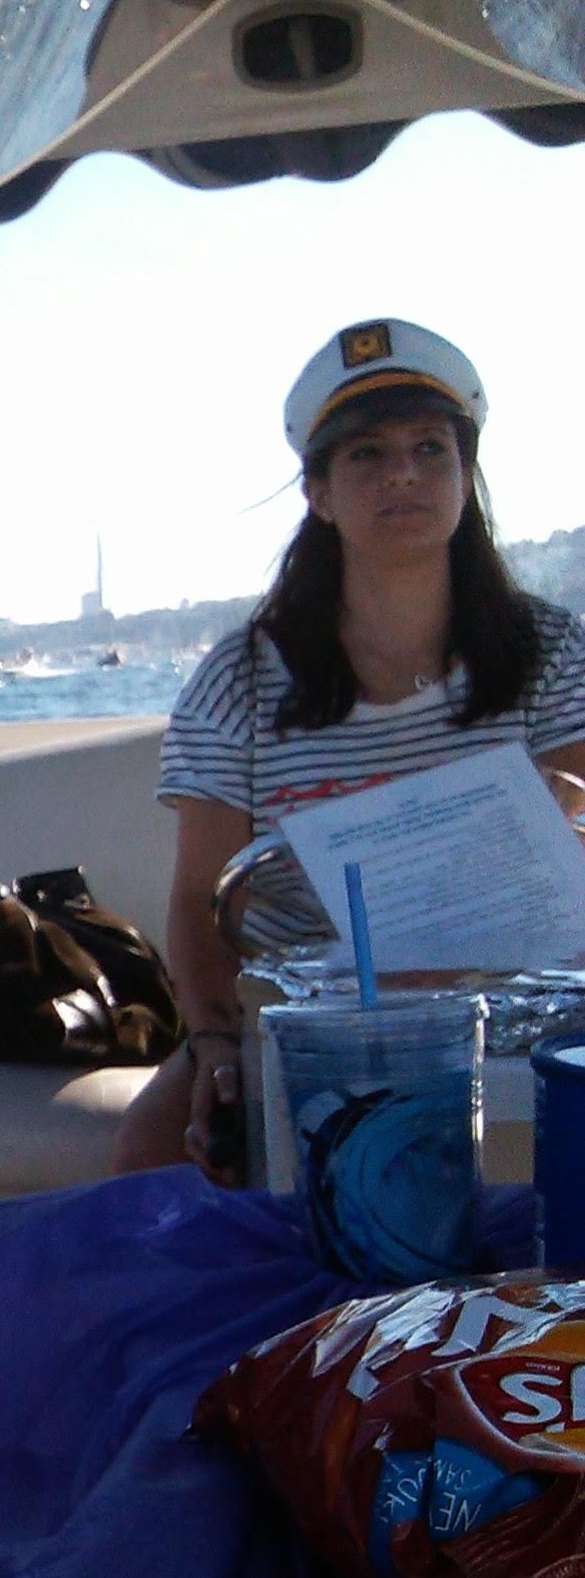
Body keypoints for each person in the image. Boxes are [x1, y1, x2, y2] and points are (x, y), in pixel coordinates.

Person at [117, 318, 585, 1173]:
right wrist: (217, 1044)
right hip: (304, 1015)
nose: (403, 472)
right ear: (320, 493)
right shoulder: (240, 682)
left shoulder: (550, 653)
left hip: (528, 1005)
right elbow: (196, 902)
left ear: (466, 477)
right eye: (366, 454)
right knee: (144, 1156)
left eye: (430, 449)